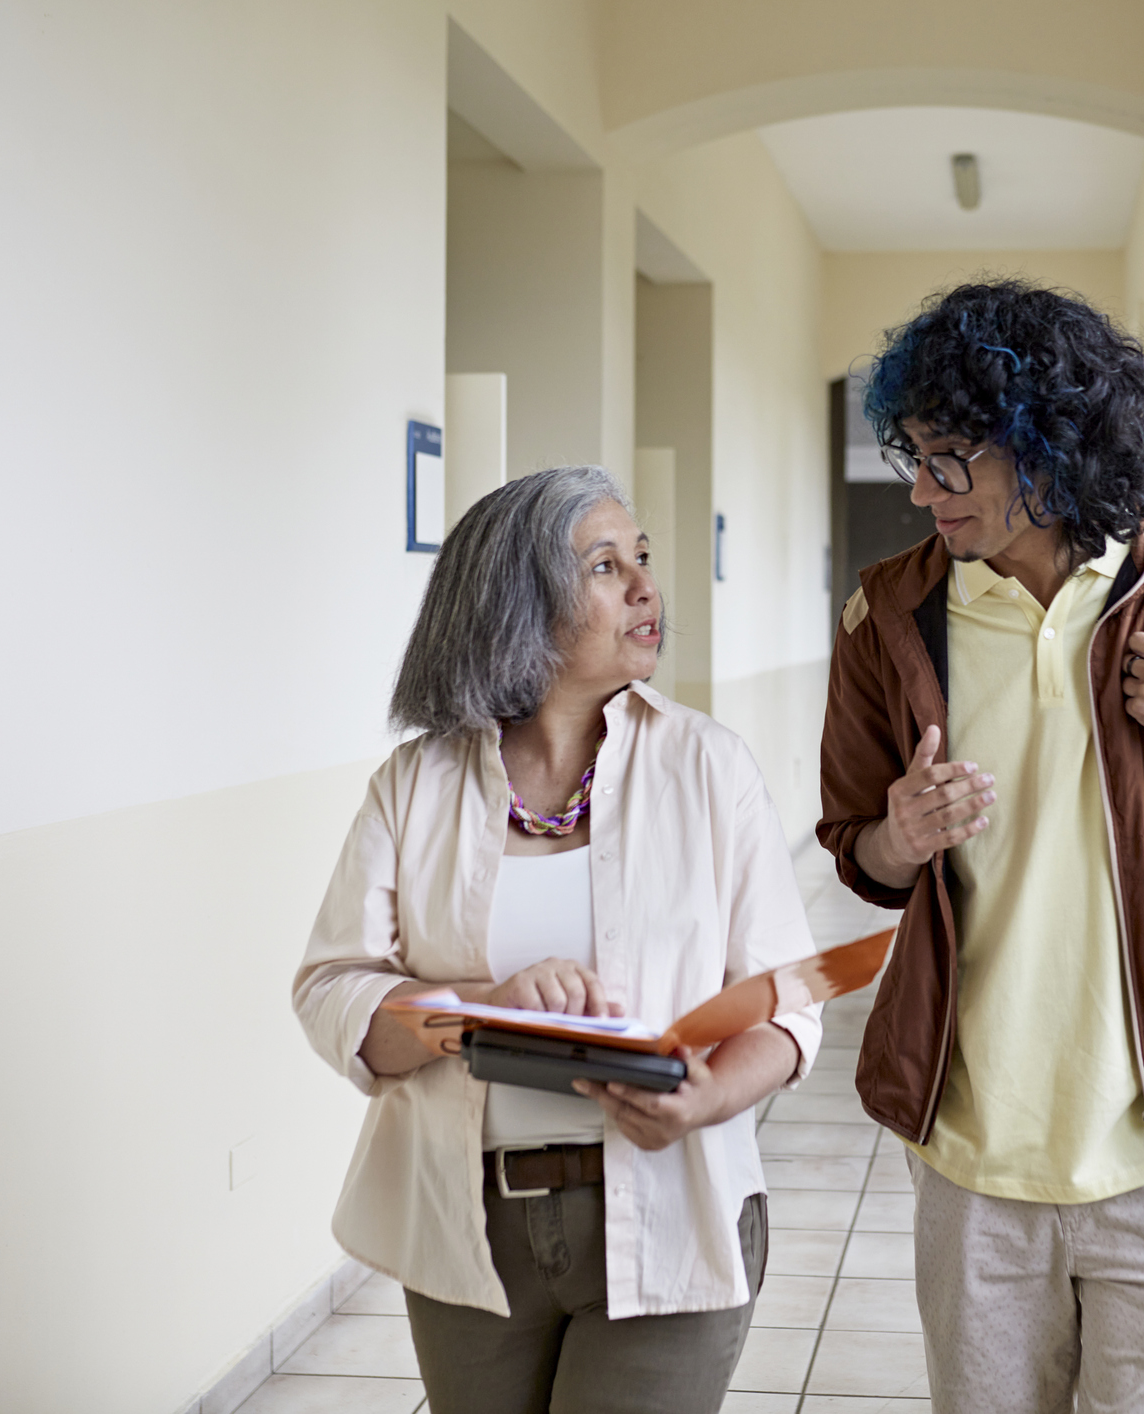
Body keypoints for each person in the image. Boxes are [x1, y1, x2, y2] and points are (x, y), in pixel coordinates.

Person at [817, 281, 1144, 1414]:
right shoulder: (890, 621)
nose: (919, 489)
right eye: (913, 454)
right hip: (974, 1161)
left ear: (1043, 448)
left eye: (949, 458)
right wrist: (899, 835)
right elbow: (857, 854)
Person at [294, 465, 821, 1414]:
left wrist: (705, 1099)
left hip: (670, 1207)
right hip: (467, 1227)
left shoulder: (708, 768)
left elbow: (789, 1004)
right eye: (605, 566)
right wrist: (478, 1010)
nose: (646, 588)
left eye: (643, 561)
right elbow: (335, 992)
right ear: (518, 604)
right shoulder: (416, 786)